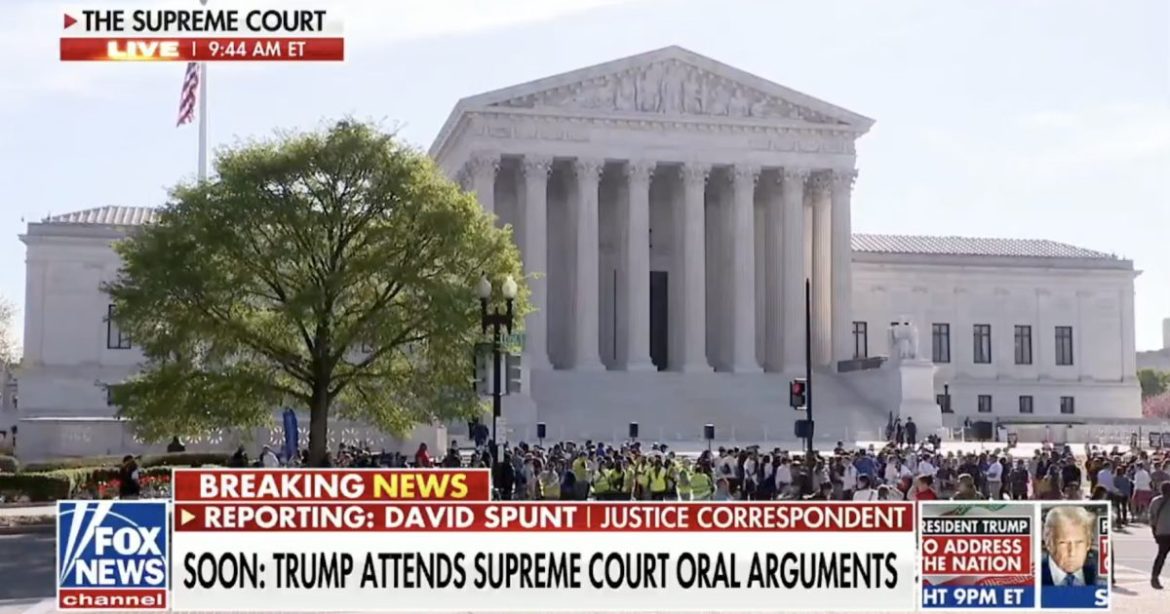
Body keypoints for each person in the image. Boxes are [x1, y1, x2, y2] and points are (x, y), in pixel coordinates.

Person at [1040, 506, 1100, 586]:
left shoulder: (1099, 571)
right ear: (1048, 543)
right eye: (1063, 543)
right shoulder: (1033, 575)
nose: (1072, 552)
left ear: (1088, 543)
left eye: (1079, 543)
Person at [1150, 481, 1170, 590]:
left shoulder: (1155, 501)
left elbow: (1152, 518)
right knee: (1161, 556)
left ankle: (1154, 577)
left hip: (1161, 532)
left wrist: (1154, 532)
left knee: (1161, 556)